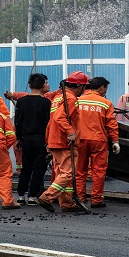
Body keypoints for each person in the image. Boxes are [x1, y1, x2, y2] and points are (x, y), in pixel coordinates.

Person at [36, 71, 89, 213]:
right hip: (65, 142)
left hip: (55, 141)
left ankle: (66, 202)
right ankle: (47, 196)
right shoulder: (70, 99)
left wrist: (48, 141)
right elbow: (60, 118)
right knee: (68, 173)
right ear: (79, 87)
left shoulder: (58, 98)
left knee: (62, 174)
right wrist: (71, 132)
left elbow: (51, 122)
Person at [75, 77, 120, 208]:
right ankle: (96, 200)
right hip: (98, 140)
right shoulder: (105, 103)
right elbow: (112, 124)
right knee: (98, 171)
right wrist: (115, 141)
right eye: (106, 88)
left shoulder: (77, 101)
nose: (106, 91)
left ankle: (80, 198)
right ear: (101, 88)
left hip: (80, 140)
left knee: (80, 171)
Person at [13, 73, 51, 205]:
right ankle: (33, 196)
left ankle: (21, 195)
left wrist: (18, 138)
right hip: (40, 139)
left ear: (29, 85)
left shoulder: (22, 101)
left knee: (26, 167)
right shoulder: (46, 102)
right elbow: (48, 123)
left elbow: (18, 121)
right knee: (39, 168)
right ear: (42, 86)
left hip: (26, 138)